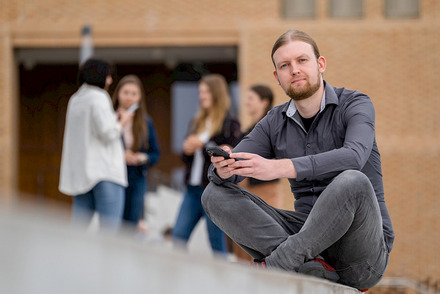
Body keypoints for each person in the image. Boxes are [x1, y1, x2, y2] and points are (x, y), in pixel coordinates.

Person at [201, 30, 394, 291]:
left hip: (360, 254)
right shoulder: (274, 121)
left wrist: (280, 167)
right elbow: (234, 167)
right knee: (213, 195)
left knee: (353, 181)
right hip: (307, 241)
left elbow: (354, 156)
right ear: (277, 77)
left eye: (302, 60)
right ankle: (306, 263)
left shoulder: (355, 104)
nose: (294, 70)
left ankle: (279, 264)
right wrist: (224, 168)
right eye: (285, 65)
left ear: (320, 64)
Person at [59, 58, 131, 233]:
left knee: (78, 233)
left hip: (83, 175)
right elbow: (107, 132)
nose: (110, 81)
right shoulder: (99, 96)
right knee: (109, 234)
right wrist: (122, 122)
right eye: (108, 76)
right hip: (106, 173)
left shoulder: (75, 99)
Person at [171, 74, 241, 256]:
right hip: (192, 190)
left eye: (206, 92)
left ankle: (222, 282)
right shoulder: (196, 123)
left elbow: (229, 155)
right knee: (178, 236)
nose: (201, 96)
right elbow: (188, 160)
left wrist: (201, 146)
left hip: (213, 191)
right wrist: (187, 150)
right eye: (200, 92)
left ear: (216, 94)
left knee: (216, 243)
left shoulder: (230, 124)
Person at [234, 84, 283, 261]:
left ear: (264, 102)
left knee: (263, 233)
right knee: (243, 236)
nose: (246, 102)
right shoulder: (248, 129)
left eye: (250, 98)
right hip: (246, 189)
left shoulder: (271, 127)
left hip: (265, 188)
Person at [112, 75, 160, 233]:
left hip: (137, 178)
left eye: (134, 93)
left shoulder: (146, 122)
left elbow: (155, 154)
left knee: (131, 225)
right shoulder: (109, 117)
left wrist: (142, 157)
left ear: (139, 97)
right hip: (114, 176)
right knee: (113, 222)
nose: (129, 97)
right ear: (118, 93)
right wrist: (121, 156)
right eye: (126, 92)